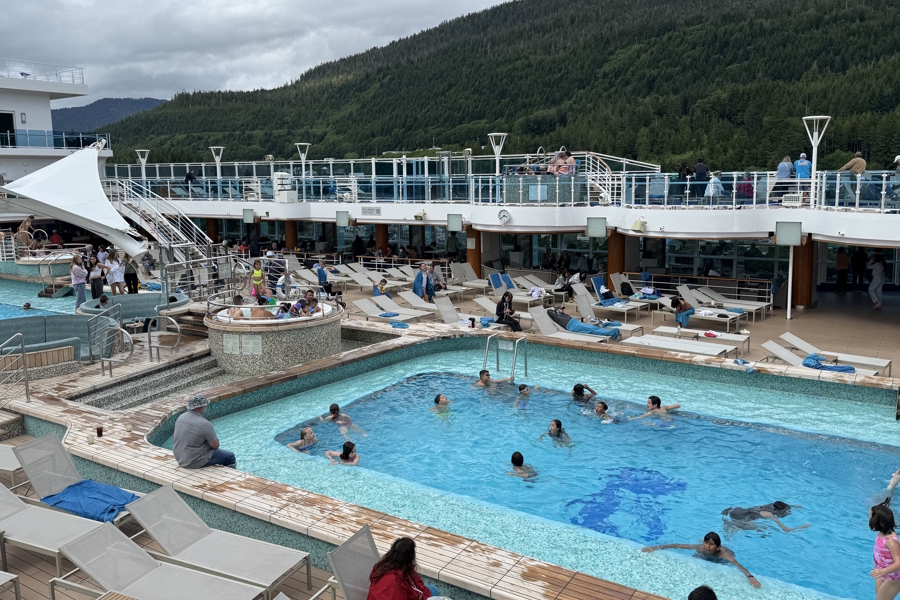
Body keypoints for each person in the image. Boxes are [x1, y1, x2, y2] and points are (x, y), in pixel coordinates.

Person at [642, 532, 760, 588]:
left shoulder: (724, 555)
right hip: (706, 556)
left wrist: (750, 577)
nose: (707, 546)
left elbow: (739, 566)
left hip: (719, 559)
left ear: (718, 547)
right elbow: (677, 545)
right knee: (695, 557)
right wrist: (655, 548)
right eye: (706, 543)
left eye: (711, 544)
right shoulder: (701, 548)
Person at [173, 394, 236, 469]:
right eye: (205, 405)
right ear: (199, 408)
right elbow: (215, 446)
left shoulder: (180, 417)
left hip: (179, 458)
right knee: (230, 457)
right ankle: (229, 478)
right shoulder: (205, 424)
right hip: (193, 461)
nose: (206, 407)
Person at [367, 537, 439, 600]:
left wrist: (421, 592)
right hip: (396, 594)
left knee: (432, 589)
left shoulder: (383, 567)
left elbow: (417, 582)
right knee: (433, 591)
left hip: (405, 594)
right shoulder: (395, 583)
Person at [870, 497, 900, 598]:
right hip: (881, 572)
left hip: (893, 577)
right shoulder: (881, 532)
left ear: (877, 521)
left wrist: (883, 571)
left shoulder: (890, 541)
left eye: (871, 517)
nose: (869, 519)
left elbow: (899, 562)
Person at [722, 501, 810, 532]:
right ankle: (734, 527)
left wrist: (795, 506)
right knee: (765, 529)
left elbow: (779, 504)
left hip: (734, 511)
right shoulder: (769, 514)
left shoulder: (768, 506)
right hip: (740, 520)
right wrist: (801, 527)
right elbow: (785, 529)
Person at [546, 305, 620, 339]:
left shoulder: (564, 315)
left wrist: (559, 311)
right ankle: (610, 333)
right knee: (591, 330)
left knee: (593, 327)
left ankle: (610, 331)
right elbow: (548, 311)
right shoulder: (556, 317)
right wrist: (555, 310)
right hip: (573, 326)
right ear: (557, 311)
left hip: (577, 323)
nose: (563, 310)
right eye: (561, 309)